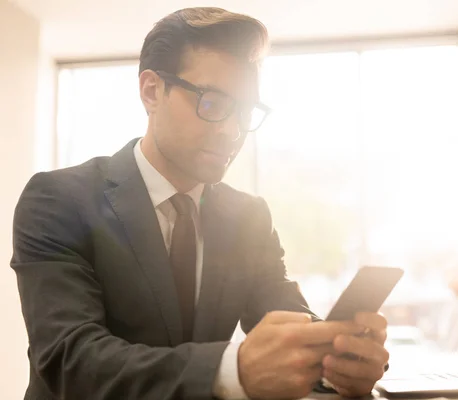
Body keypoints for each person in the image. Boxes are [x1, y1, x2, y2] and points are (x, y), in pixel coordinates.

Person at [10, 7, 389, 400]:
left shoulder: (247, 217)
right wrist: (232, 370)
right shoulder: (58, 199)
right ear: (152, 91)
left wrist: (338, 360)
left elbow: (289, 319)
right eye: (211, 102)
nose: (232, 131)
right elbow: (70, 360)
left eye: (245, 111)